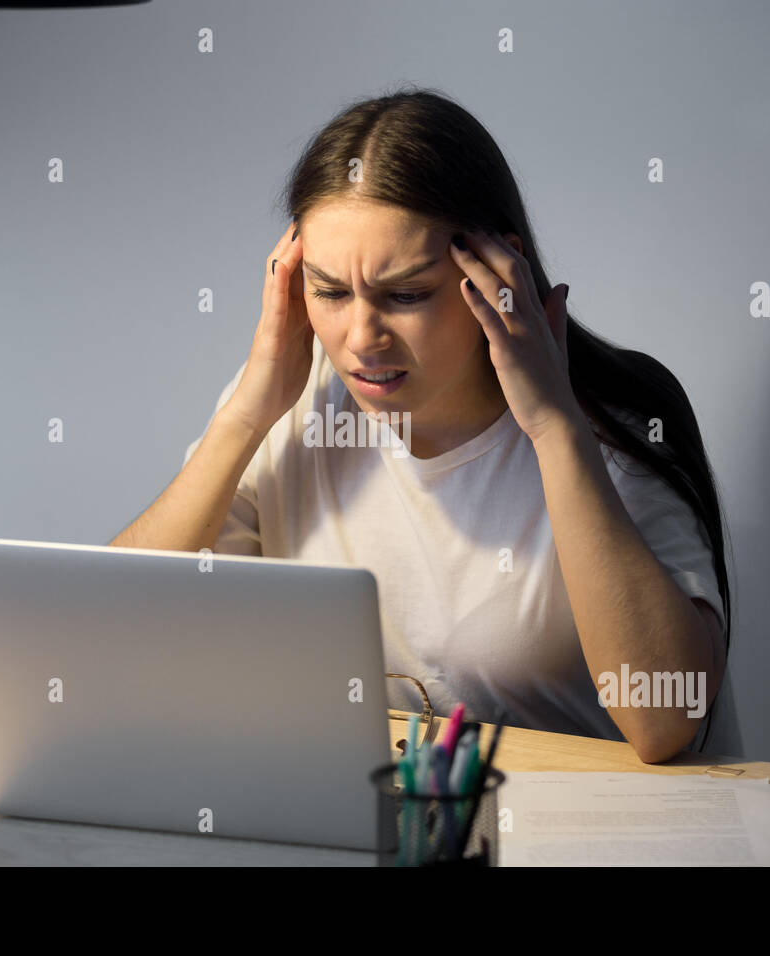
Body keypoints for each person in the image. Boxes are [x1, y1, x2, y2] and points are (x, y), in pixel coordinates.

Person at [111, 87, 732, 763]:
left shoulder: (610, 424)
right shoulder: (289, 406)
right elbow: (113, 635)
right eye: (329, 290)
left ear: (500, 273)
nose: (359, 338)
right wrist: (246, 414)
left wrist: (555, 432)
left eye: (405, 294)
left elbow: (668, 722)